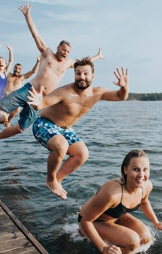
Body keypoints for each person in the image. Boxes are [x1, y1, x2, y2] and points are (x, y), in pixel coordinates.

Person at [0, 3, 105, 147]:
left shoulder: (68, 63)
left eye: (68, 52)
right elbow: (36, 35)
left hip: (41, 100)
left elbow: (84, 62)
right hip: (29, 90)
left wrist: (97, 57)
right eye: (64, 49)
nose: (65, 53)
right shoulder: (47, 53)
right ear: (58, 47)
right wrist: (27, 15)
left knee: (20, 128)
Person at [27, 57, 128, 200]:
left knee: (82, 154)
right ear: (74, 74)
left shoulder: (97, 92)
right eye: (78, 73)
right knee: (62, 146)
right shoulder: (64, 92)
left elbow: (120, 96)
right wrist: (37, 103)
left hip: (65, 129)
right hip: (44, 124)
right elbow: (42, 103)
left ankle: (57, 180)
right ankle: (50, 180)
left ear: (92, 76)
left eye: (86, 74)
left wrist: (123, 87)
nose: (82, 77)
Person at [78, 150, 162, 254]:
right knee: (132, 242)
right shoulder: (112, 193)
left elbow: (144, 202)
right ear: (125, 170)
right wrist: (103, 248)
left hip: (115, 217)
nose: (141, 175)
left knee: (146, 237)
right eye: (136, 169)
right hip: (91, 222)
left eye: (145, 170)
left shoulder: (147, 186)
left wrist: (156, 222)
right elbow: (86, 221)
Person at [0, 56, 40, 127]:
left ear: (21, 70)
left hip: (15, 101)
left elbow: (33, 71)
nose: (17, 70)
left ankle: (5, 121)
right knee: (5, 116)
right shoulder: (8, 75)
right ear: (13, 68)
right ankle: (3, 120)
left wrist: (37, 62)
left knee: (8, 117)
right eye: (15, 68)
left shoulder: (22, 77)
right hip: (5, 99)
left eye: (19, 69)